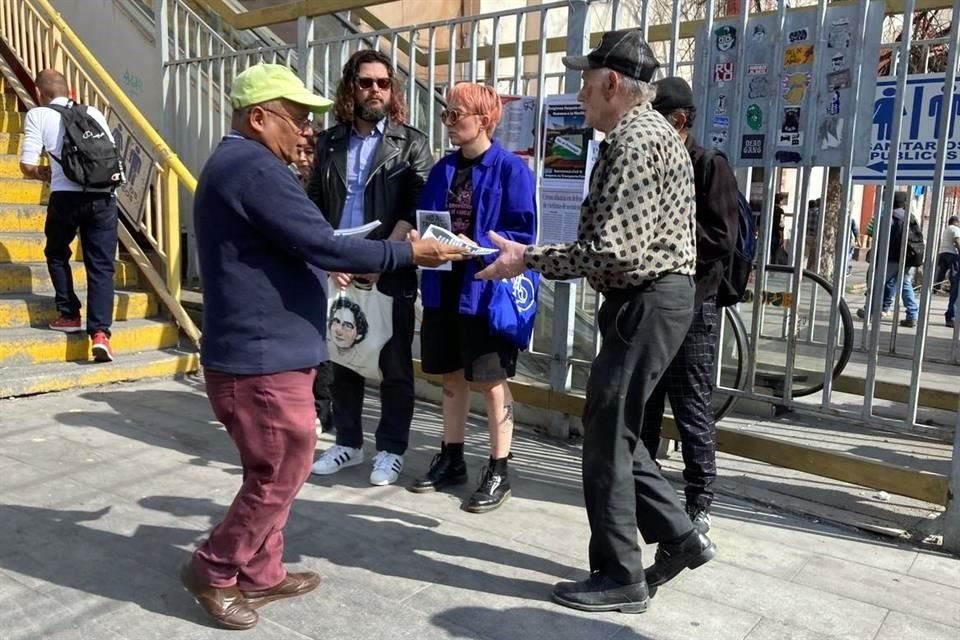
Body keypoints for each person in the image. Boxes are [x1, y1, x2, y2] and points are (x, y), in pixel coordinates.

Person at [181, 62, 464, 631]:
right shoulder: (254, 167)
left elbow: (299, 244)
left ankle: (262, 570)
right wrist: (411, 254)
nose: (307, 130)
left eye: (311, 119)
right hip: (260, 356)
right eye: (297, 119)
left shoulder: (248, 164)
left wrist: (328, 256)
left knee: (280, 463)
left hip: (270, 349)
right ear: (259, 119)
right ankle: (214, 568)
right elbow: (320, 241)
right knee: (282, 467)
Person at [476, 29, 715, 614]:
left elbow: (615, 254)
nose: (579, 94)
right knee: (615, 430)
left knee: (606, 440)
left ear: (613, 83)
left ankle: (621, 576)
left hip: (648, 298)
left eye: (585, 83)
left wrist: (525, 258)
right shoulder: (650, 134)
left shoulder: (635, 140)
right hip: (655, 298)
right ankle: (681, 537)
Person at [408, 82, 537, 514]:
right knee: (450, 376)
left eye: (455, 115)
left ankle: (500, 467)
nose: (448, 123)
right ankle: (452, 454)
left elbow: (521, 234)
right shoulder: (442, 169)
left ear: (483, 118)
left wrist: (475, 242)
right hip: (444, 288)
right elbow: (426, 220)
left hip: (484, 289)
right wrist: (420, 239)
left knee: (492, 380)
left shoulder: (510, 170)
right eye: (446, 114)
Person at [308, 50, 433, 486]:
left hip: (389, 265)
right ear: (351, 87)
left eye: (382, 83)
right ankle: (348, 442)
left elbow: (415, 207)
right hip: (340, 265)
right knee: (343, 357)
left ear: (391, 90)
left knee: (393, 363)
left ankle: (392, 449)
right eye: (366, 82)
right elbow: (315, 205)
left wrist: (384, 257)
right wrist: (328, 257)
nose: (374, 90)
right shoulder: (330, 142)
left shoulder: (411, 142)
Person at [641, 76, 739, 535]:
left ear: (679, 121)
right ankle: (645, 492)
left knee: (691, 409)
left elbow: (721, 238)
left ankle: (700, 501)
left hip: (695, 305)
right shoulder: (655, 162)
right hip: (652, 303)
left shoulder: (709, 165)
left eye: (656, 118)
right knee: (644, 404)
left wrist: (662, 246)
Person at [19, 69, 119, 362]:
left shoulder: (38, 115)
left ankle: (69, 313)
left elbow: (26, 164)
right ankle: (100, 334)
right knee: (101, 266)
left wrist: (42, 172)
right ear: (70, 91)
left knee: (56, 252)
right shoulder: (93, 113)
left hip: (66, 197)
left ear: (40, 93)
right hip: (103, 197)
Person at [293, 124, 336, 432]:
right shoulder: (288, 183)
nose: (304, 159)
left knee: (327, 348)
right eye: (299, 152)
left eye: (310, 152)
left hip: (331, 275)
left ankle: (322, 409)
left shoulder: (329, 187)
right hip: (302, 275)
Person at [857, 191, 919, 327]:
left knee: (877, 282)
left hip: (890, 257)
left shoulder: (886, 216)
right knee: (905, 285)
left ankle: (871, 311)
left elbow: (876, 236)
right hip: (908, 258)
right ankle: (912, 315)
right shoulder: (910, 217)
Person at [935, 215, 960, 327]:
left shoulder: (946, 229)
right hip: (952, 254)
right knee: (956, 280)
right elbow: (957, 241)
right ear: (956, 222)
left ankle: (937, 286)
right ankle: (952, 317)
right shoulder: (955, 229)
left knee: (942, 272)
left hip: (943, 253)